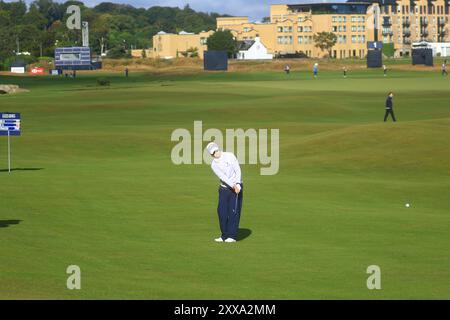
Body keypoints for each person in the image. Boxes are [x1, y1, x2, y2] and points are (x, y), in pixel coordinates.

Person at [206, 142, 243, 243]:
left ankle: (232, 236)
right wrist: (233, 185)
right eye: (213, 153)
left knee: (233, 211)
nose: (216, 153)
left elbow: (237, 169)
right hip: (224, 188)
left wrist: (238, 184)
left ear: (218, 149)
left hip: (237, 186)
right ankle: (224, 235)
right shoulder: (214, 165)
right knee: (221, 211)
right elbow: (223, 177)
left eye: (216, 151)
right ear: (211, 154)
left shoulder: (229, 156)